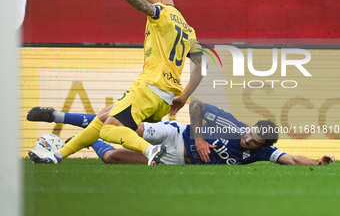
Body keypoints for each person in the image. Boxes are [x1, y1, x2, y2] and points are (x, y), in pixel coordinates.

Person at [28, 0, 203, 165]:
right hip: (166, 100)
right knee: (102, 117)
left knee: (108, 130)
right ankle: (56, 156)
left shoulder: (162, 12)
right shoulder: (189, 30)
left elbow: (144, 7)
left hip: (149, 88)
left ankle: (150, 149)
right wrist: (184, 98)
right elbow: (202, 65)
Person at [27, 105, 335, 166]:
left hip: (175, 160)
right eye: (249, 134)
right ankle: (58, 116)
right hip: (175, 136)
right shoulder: (232, 124)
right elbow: (198, 106)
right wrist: (200, 137)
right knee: (124, 125)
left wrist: (317, 163)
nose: (247, 141)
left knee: (110, 157)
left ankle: (89, 135)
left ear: (262, 145)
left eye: (253, 142)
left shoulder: (261, 153)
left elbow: (292, 157)